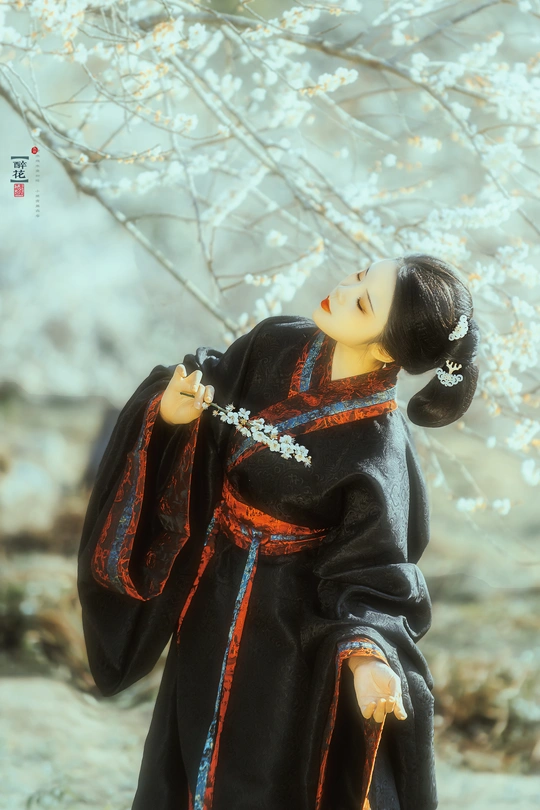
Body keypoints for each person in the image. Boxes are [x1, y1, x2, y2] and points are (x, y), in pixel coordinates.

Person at [77, 253, 480, 810]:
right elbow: (206, 386)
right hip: (210, 594)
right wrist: (171, 412)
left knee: (258, 773)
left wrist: (366, 658)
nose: (343, 290)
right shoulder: (274, 344)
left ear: (387, 350)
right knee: (185, 744)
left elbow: (375, 571)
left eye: (363, 303)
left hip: (289, 631)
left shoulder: (380, 448)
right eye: (360, 274)